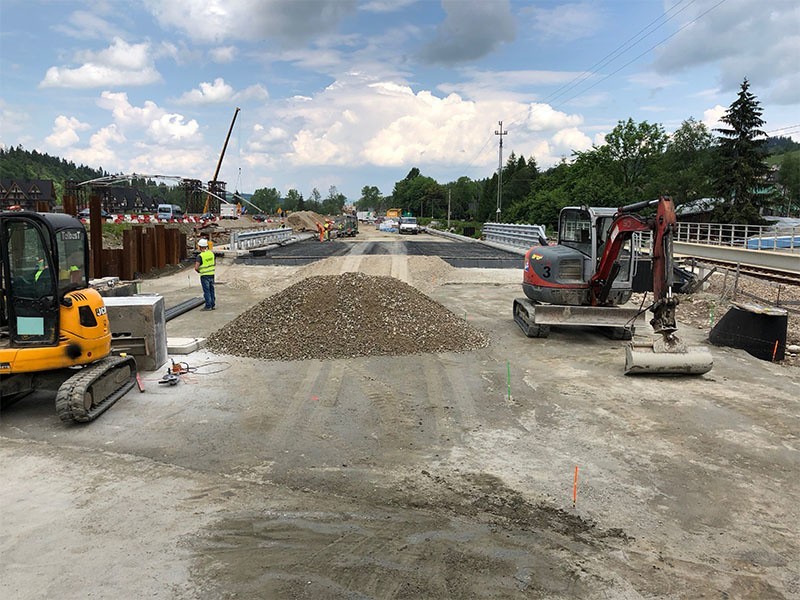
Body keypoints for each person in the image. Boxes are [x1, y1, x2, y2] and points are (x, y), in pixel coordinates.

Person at [194, 238, 216, 310]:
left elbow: (196, 267)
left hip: (204, 276)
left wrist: (200, 271)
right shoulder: (211, 253)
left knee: (206, 291)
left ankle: (208, 306)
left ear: (200, 247)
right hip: (212, 274)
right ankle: (212, 304)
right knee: (211, 290)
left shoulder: (200, 256)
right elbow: (214, 263)